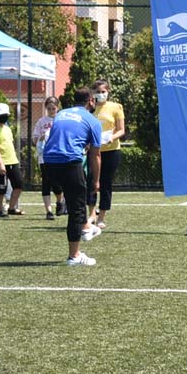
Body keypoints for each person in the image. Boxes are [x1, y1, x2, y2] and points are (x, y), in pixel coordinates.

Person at [42, 88, 101, 266]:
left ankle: (86, 227)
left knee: (74, 198)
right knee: (76, 208)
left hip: (49, 163)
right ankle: (74, 256)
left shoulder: (61, 114)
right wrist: (96, 180)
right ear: (90, 100)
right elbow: (95, 155)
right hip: (69, 162)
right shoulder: (93, 120)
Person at [88, 79, 125, 230]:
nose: (101, 94)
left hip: (111, 150)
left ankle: (101, 216)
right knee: (91, 182)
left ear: (108, 92)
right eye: (98, 92)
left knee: (105, 183)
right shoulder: (89, 109)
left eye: (103, 92)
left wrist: (111, 138)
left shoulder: (116, 107)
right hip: (94, 151)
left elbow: (121, 129)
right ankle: (91, 214)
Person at [0, 102, 24, 218]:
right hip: (0, 163)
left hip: (12, 161)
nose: (4, 117)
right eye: (2, 115)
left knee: (18, 185)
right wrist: (0, 164)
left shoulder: (7, 128)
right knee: (1, 188)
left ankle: (12, 208)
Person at [32, 96, 65, 221]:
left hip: (58, 156)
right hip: (44, 156)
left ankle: (59, 201)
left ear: (58, 107)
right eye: (49, 108)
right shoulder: (41, 122)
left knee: (57, 183)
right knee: (46, 182)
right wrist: (41, 137)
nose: (51, 110)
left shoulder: (61, 120)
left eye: (54, 108)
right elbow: (34, 139)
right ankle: (48, 211)